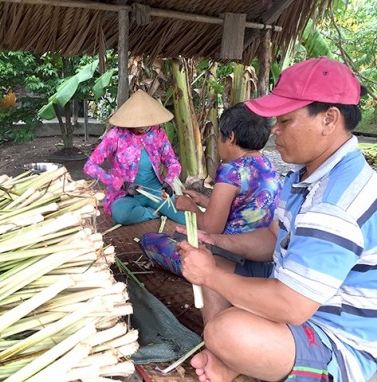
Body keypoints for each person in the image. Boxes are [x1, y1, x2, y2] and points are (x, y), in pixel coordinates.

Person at [178, 57, 377, 381]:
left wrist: (210, 276)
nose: (275, 130)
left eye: (285, 120)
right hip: (302, 303)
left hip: (338, 340)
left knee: (228, 330)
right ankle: (228, 361)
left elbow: (290, 306)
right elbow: (273, 239)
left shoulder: (335, 204)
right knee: (211, 264)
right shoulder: (303, 176)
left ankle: (232, 357)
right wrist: (214, 242)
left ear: (329, 119)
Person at [139, 103, 282, 276]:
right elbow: (247, 208)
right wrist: (204, 201)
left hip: (229, 257)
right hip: (262, 257)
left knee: (150, 240)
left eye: (220, 136)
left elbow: (212, 229)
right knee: (180, 238)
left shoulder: (232, 171)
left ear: (230, 137)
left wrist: (190, 206)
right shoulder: (268, 166)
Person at [83, 89, 185, 225]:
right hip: (127, 195)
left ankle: (155, 209)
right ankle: (153, 213)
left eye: (147, 120)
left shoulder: (158, 133)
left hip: (156, 192)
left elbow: (173, 163)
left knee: (183, 215)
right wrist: (121, 184)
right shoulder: (116, 135)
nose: (143, 126)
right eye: (138, 122)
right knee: (121, 215)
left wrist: (168, 181)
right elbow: (90, 166)